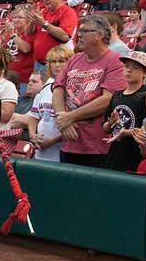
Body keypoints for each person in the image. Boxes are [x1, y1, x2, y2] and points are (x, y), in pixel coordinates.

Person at [52, 14, 125, 168]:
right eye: (79, 31)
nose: (79, 35)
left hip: (96, 148)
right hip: (69, 143)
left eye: (85, 31)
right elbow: (58, 88)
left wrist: (70, 117)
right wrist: (63, 120)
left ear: (100, 35)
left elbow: (108, 99)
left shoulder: (115, 61)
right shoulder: (74, 59)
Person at [102, 51, 146, 172]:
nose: (129, 70)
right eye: (127, 66)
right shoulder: (117, 95)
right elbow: (105, 128)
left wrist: (127, 133)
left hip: (136, 155)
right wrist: (110, 123)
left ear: (145, 73)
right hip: (115, 154)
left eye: (135, 68)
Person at [27, 46, 74, 161]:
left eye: (61, 61)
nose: (57, 65)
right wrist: (33, 135)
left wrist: (52, 141)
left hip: (61, 154)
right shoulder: (46, 87)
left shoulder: (74, 87)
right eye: (53, 61)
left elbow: (76, 126)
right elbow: (33, 116)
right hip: (41, 153)